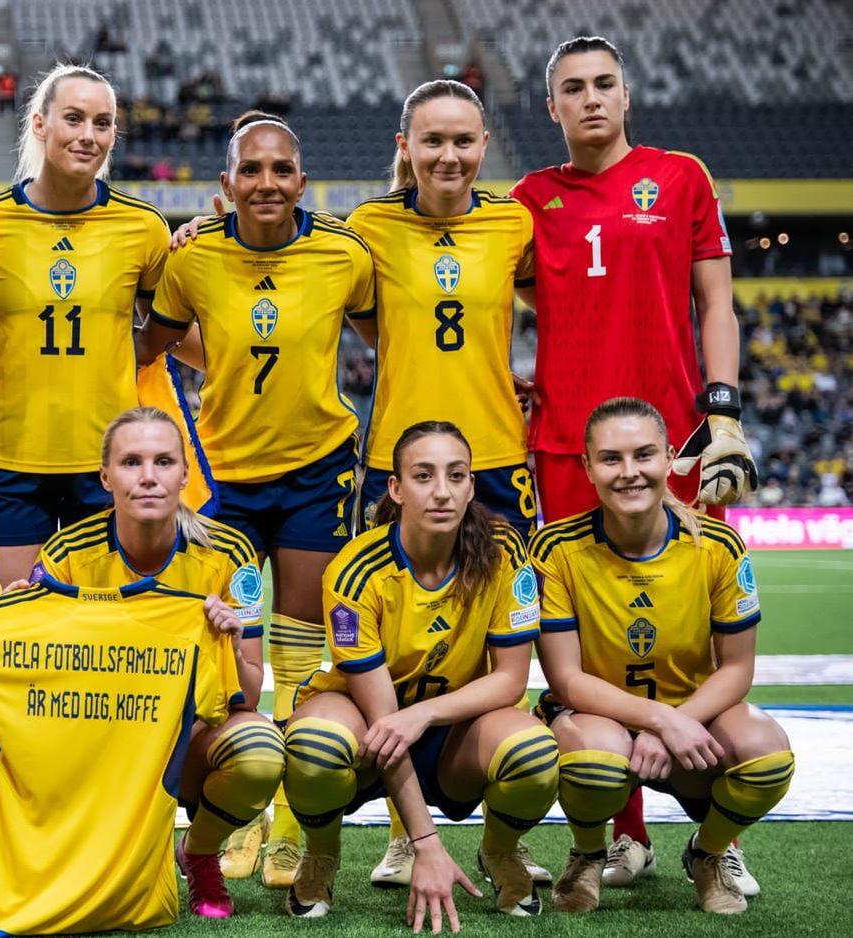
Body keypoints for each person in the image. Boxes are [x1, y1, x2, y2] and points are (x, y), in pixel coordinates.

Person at [509, 36, 759, 890]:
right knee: (589, 639)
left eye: (603, 84)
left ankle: (718, 835)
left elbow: (717, 301)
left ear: (627, 92)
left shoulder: (681, 176)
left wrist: (722, 408)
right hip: (567, 444)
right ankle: (623, 833)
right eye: (571, 89)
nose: (589, 99)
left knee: (689, 628)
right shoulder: (528, 198)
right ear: (551, 107)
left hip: (677, 444)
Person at [141, 110, 376, 887]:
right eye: (252, 169)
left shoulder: (344, 252)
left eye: (281, 170)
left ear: (302, 182)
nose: (267, 182)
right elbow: (155, 340)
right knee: (235, 666)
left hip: (317, 472)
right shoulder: (194, 258)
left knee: (304, 659)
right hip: (226, 480)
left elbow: (393, 334)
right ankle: (235, 814)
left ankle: (293, 826)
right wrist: (222, 364)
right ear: (226, 184)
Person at [349, 78, 549, 890]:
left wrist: (536, 378)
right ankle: (405, 830)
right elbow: (348, 301)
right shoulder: (365, 226)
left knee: (499, 645)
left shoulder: (513, 222)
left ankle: (503, 838)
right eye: (432, 140)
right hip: (395, 459)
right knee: (400, 642)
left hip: (496, 460)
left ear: (484, 145)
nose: (449, 155)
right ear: (405, 146)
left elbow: (552, 300)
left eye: (464, 140)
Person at [282, 421, 556, 926]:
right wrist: (426, 844)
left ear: (472, 485)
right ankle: (322, 853)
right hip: (366, 725)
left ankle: (498, 850)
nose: (442, 492)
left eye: (456, 476)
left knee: (534, 752)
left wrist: (426, 714)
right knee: (315, 745)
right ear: (396, 488)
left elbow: (511, 679)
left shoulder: (504, 553)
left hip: (451, 729)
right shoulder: (352, 571)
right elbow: (386, 721)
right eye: (424, 476)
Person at [532, 397, 793, 914]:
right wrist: (655, 720)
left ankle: (709, 854)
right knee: (590, 761)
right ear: (586, 467)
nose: (629, 472)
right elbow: (565, 678)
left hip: (692, 721)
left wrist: (671, 723)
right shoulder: (555, 549)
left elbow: (738, 668)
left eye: (643, 455)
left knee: (766, 752)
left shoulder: (718, 545)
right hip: (600, 718)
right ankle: (587, 855)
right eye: (610, 458)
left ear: (670, 456)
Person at [0, 573, 243, 936]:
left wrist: (227, 643)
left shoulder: (190, 620)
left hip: (24, 908)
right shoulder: (9, 617)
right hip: (133, 903)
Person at [37, 406, 281, 918]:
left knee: (260, 749)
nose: (148, 477)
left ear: (185, 474)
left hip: (189, 738)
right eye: (131, 462)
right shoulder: (67, 554)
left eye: (164, 461)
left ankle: (199, 853)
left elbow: (250, 693)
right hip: (98, 744)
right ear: (105, 477)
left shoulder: (229, 553)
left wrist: (230, 640)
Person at [0, 63, 169, 586]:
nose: (88, 136)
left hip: (107, 461)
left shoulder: (143, 228)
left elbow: (170, 327)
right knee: (9, 624)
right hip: (11, 456)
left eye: (103, 123)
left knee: (100, 632)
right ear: (39, 124)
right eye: (73, 119)